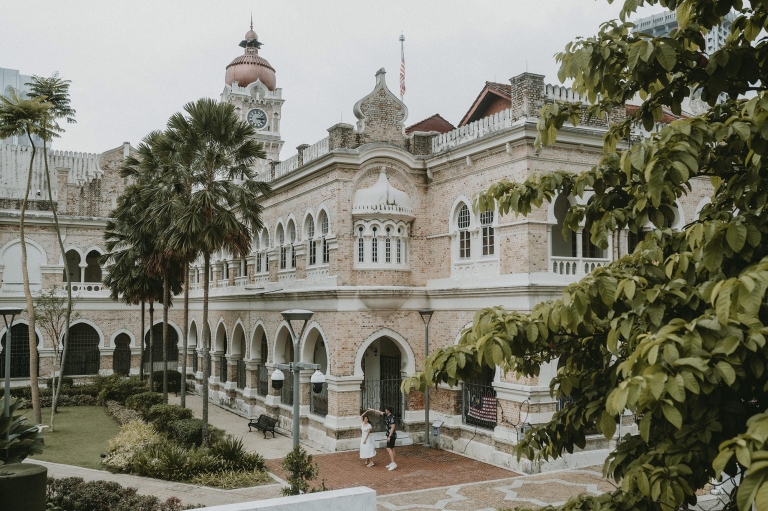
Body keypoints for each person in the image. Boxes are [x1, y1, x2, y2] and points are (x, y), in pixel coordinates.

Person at [368, 406, 397, 470]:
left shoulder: (392, 417)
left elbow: (393, 427)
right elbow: (380, 412)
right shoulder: (387, 415)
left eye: (386, 410)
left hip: (391, 435)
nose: (385, 411)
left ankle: (393, 463)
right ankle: (392, 462)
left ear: (389, 411)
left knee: (388, 448)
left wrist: (389, 436)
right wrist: (372, 409)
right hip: (389, 434)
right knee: (392, 448)